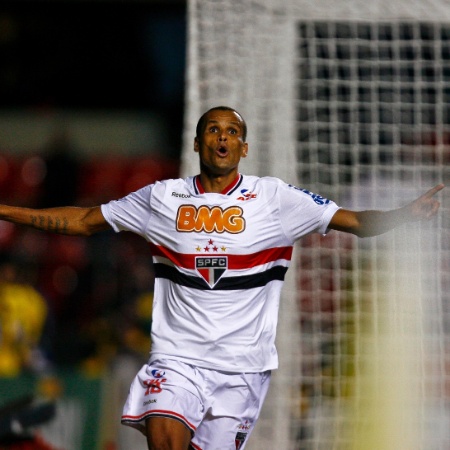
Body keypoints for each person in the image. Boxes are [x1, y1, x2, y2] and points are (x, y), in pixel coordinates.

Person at [0, 106, 444, 450]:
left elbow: (355, 222)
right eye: (213, 129)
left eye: (232, 132)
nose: (223, 138)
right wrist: (6, 210)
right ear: (197, 142)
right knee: (164, 435)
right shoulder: (163, 197)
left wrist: (405, 215)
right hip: (177, 358)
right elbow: (82, 220)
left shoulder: (275, 199)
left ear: (243, 148)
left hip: (242, 369)